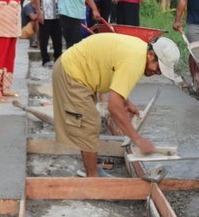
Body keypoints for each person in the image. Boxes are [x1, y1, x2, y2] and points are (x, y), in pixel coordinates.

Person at [52, 34, 181, 177]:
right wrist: (137, 139)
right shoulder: (135, 62)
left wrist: (126, 102)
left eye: (160, 72)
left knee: (87, 124)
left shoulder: (139, 50)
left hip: (77, 69)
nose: (157, 73)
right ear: (151, 54)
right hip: (72, 73)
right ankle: (92, 179)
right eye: (158, 68)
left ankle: (90, 169)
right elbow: (113, 106)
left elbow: (116, 73)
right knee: (89, 123)